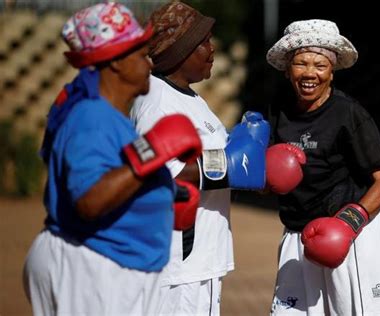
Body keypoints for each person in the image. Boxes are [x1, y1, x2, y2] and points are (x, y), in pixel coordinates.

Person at [22, 3, 203, 315]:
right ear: (117, 62)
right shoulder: (91, 117)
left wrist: (165, 194)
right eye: (140, 55)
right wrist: (153, 150)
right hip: (91, 268)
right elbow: (90, 199)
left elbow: (119, 174)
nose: (149, 63)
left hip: (108, 267)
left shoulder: (109, 116)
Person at [130, 1, 306, 315]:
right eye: (203, 43)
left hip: (202, 256)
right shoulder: (156, 101)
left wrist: (261, 174)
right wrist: (234, 166)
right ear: (180, 52)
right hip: (179, 262)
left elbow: (222, 167)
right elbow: (160, 172)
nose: (212, 49)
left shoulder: (192, 100)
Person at [266, 19, 380, 315]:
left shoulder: (349, 114)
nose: (309, 74)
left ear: (331, 72)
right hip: (298, 233)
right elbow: (271, 179)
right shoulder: (278, 110)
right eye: (301, 64)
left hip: (351, 233)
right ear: (287, 70)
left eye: (319, 65)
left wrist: (347, 223)